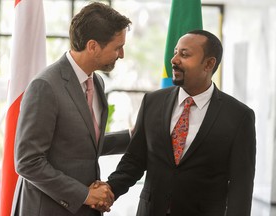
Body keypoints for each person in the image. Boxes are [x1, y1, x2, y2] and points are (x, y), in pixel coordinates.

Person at [100, 30, 256, 216]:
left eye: (184, 54)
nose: (174, 60)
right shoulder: (152, 102)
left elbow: (241, 186)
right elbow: (134, 160)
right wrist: (108, 190)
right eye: (175, 52)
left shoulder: (238, 116)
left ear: (209, 64)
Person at [11, 2, 131, 216]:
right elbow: (28, 162)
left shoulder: (97, 83)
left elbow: (80, 144)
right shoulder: (45, 86)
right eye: (117, 47)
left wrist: (132, 136)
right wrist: (84, 195)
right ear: (93, 46)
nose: (121, 54)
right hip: (46, 209)